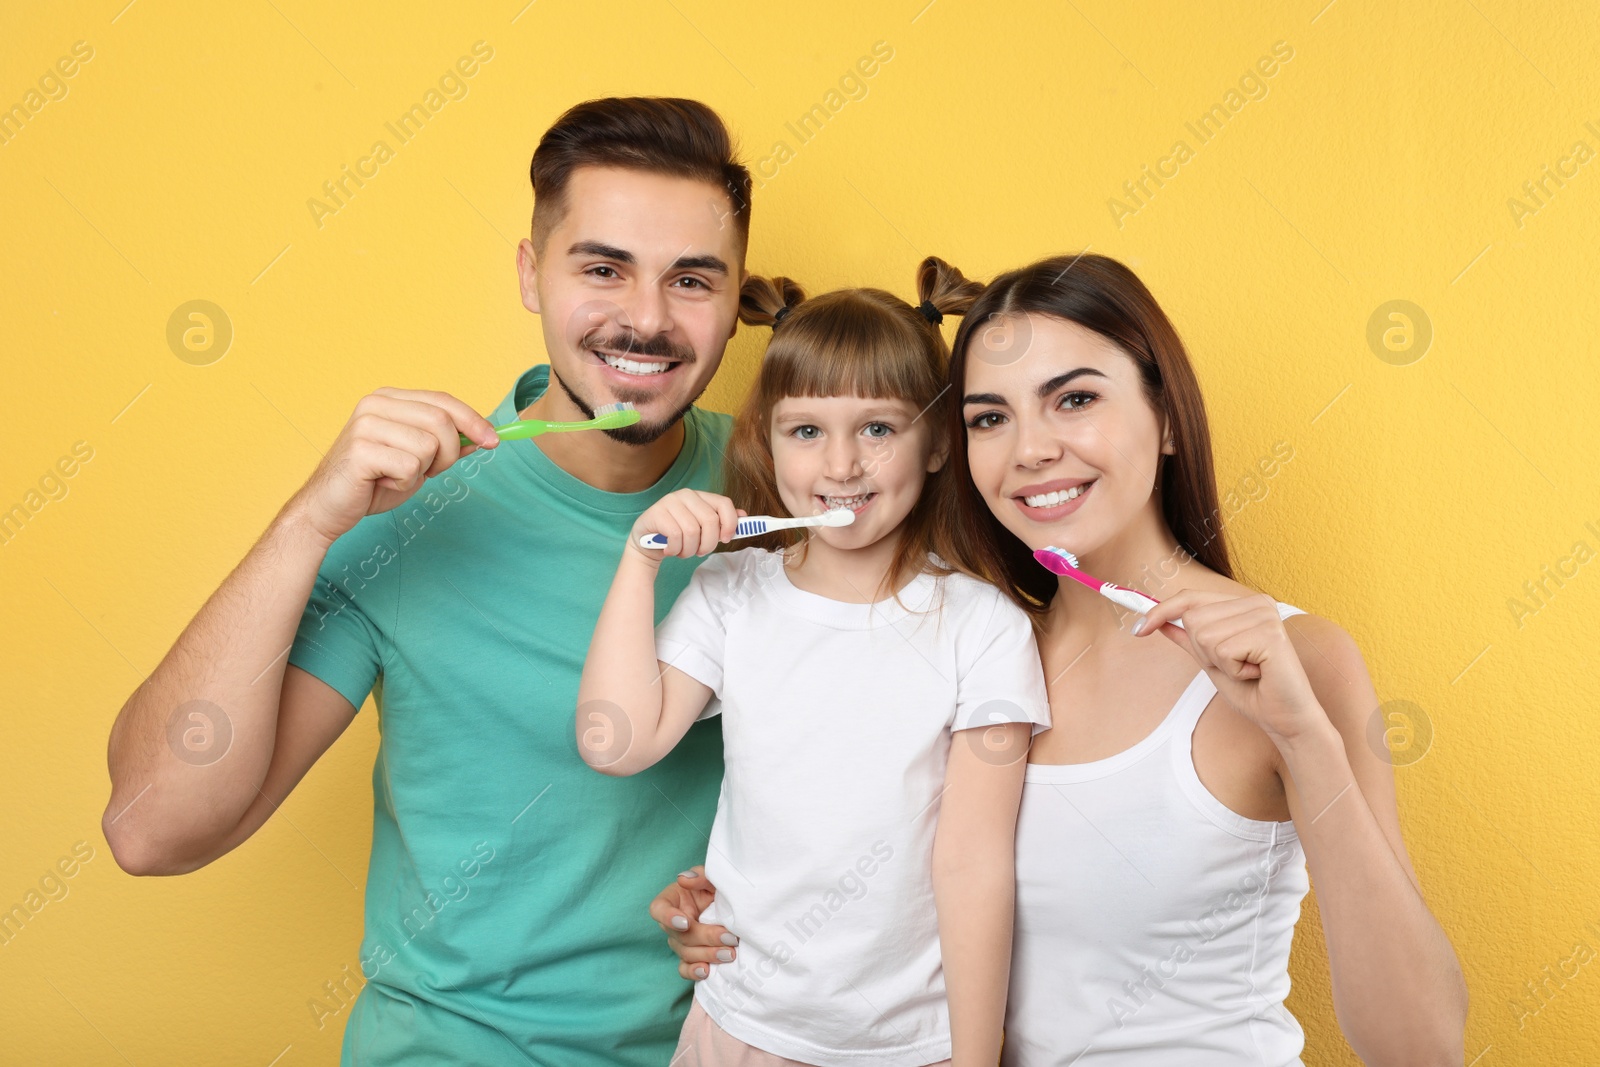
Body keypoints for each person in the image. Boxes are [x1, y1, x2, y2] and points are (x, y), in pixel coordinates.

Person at [653, 254, 1468, 1065]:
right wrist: (750, 928)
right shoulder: (974, 651)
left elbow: (1422, 1046)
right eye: (990, 417)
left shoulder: (1297, 657)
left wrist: (1305, 739)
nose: (1031, 449)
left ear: (1170, 417)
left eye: (1073, 399)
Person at [103, 97, 757, 1066]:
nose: (649, 319)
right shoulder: (413, 514)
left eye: (692, 278)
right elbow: (152, 828)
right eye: (602, 267)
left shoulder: (785, 494)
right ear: (532, 274)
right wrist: (308, 522)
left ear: (739, 293)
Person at [579, 261, 1051, 1067]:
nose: (840, 466)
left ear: (938, 442)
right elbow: (615, 742)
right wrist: (641, 559)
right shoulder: (731, 594)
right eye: (807, 431)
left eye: (878, 429)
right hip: (739, 1030)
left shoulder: (984, 628)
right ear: (769, 442)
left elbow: (973, 865)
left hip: (915, 1048)